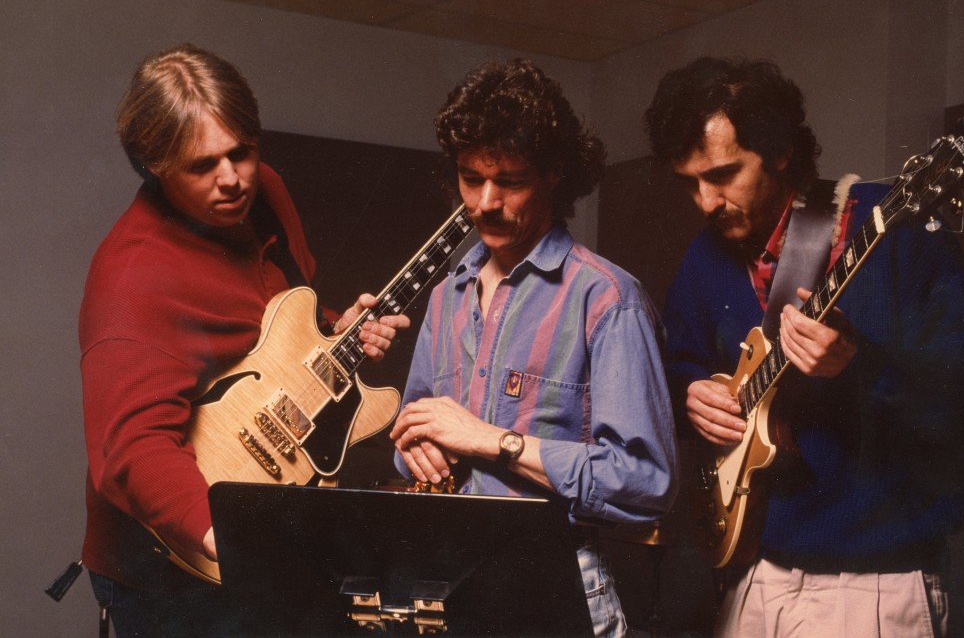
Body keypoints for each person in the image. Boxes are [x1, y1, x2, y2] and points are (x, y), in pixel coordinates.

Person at [644, 55, 964, 637]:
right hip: (752, 574)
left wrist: (861, 365)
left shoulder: (896, 232)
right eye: (690, 182)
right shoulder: (704, 257)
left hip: (874, 584)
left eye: (724, 174)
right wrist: (690, 396)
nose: (706, 202)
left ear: (782, 151)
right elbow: (679, 364)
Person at [80, 44, 410, 635]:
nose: (232, 179)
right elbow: (132, 449)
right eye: (202, 166)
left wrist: (337, 331)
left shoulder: (266, 194)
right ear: (154, 165)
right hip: (168, 559)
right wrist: (234, 539)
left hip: (260, 511)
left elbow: (272, 312)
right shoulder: (131, 281)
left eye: (243, 152)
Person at [388, 57, 679, 637]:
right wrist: (413, 447)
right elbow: (413, 433)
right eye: (471, 179)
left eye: (511, 181)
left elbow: (646, 483)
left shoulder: (607, 298)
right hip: (448, 583)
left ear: (554, 176)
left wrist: (491, 441)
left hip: (559, 585)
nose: (485, 203)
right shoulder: (446, 296)